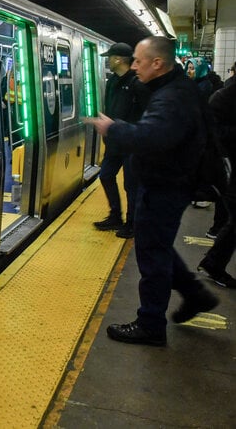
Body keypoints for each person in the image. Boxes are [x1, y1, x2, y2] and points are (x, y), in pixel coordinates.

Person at [84, 36, 219, 346]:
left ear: (157, 63)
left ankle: (150, 324)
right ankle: (195, 294)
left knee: (152, 255)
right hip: (169, 183)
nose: (135, 67)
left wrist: (113, 128)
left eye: (139, 62)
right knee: (157, 245)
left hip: (165, 185)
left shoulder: (171, 97)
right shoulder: (173, 90)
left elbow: (153, 137)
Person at [93, 43, 149, 238]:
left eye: (110, 57)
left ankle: (132, 223)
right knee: (106, 175)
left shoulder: (137, 83)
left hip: (132, 143)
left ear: (119, 59)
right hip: (114, 141)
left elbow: (147, 113)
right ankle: (115, 215)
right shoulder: (112, 82)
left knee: (131, 185)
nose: (107, 60)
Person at [198, 83, 236, 287]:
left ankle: (213, 263)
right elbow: (214, 133)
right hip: (228, 168)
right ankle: (213, 263)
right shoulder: (223, 97)